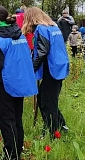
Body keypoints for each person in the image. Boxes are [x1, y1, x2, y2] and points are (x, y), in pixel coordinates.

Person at [0, 6, 37, 160]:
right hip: (19, 83)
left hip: (3, 85)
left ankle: (10, 154)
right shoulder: (19, 35)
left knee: (6, 121)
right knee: (17, 119)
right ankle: (17, 151)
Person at [22, 7, 70, 139]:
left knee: (46, 102)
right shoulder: (53, 27)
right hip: (59, 66)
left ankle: (51, 132)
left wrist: (31, 69)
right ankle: (61, 125)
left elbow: (42, 52)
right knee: (48, 99)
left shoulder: (41, 29)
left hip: (52, 68)